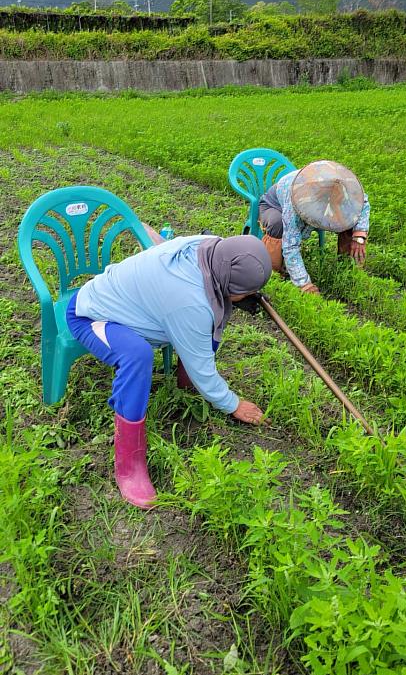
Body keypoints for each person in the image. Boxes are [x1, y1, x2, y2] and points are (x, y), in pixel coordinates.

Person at [66, 234, 272, 509]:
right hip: (92, 314)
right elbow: (203, 366)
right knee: (137, 356)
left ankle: (185, 384)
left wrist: (246, 291)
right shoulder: (189, 303)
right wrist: (233, 405)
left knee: (209, 315)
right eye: (243, 292)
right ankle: (129, 463)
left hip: (136, 304)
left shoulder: (211, 247)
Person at [259, 160, 370, 294]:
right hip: (274, 207)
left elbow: (362, 202)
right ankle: (274, 274)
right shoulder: (295, 201)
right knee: (278, 225)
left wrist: (359, 236)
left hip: (318, 201)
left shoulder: (343, 184)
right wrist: (304, 284)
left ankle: (346, 268)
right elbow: (291, 246)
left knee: (349, 221)